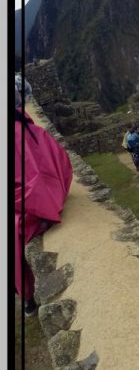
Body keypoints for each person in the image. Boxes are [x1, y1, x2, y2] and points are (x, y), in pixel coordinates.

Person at [15, 106, 73, 316]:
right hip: (47, 199)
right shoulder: (35, 131)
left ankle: (28, 298)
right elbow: (62, 161)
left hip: (27, 210)